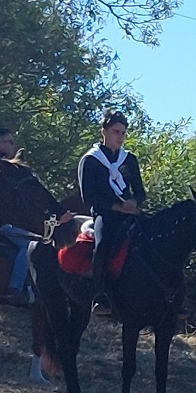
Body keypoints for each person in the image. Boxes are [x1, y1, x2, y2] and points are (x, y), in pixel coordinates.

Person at [79, 110, 145, 297]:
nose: (120, 137)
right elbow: (88, 196)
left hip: (130, 214)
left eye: (123, 133)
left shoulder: (129, 159)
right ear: (104, 132)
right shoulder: (90, 160)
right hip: (105, 214)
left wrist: (134, 202)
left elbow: (140, 192)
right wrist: (116, 207)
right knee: (102, 246)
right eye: (116, 132)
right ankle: (101, 295)